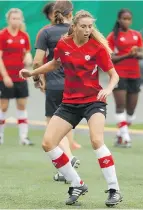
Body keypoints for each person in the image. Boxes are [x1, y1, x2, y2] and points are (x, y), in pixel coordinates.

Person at [19, 9, 122, 206]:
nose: (87, 30)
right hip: (70, 102)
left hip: (94, 101)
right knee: (48, 143)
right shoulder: (64, 44)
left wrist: (108, 89)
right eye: (83, 26)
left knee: (96, 140)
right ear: (73, 27)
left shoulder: (97, 48)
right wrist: (33, 73)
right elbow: (55, 63)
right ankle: (77, 183)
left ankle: (114, 189)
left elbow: (113, 75)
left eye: (90, 26)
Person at [34, 1, 81, 182]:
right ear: (72, 13)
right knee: (66, 126)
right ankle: (65, 167)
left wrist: (38, 79)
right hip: (76, 86)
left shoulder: (45, 32)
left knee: (52, 129)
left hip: (54, 86)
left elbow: (38, 61)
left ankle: (68, 160)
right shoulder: (80, 30)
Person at [107, 9, 143, 148]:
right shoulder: (112, 37)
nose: (126, 21)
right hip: (119, 75)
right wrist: (127, 55)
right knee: (120, 106)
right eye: (124, 19)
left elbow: (141, 55)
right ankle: (127, 138)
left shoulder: (137, 35)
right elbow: (111, 58)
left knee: (131, 110)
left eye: (129, 19)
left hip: (135, 75)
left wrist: (136, 53)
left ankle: (120, 135)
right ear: (119, 19)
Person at [0, 8, 33, 145]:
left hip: (20, 78)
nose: (16, 21)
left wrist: (28, 58)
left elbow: (28, 53)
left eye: (18, 18)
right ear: (9, 20)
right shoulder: (2, 35)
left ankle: (23, 138)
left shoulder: (24, 36)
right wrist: (5, 76)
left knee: (21, 105)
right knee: (4, 106)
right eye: (13, 18)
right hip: (5, 78)